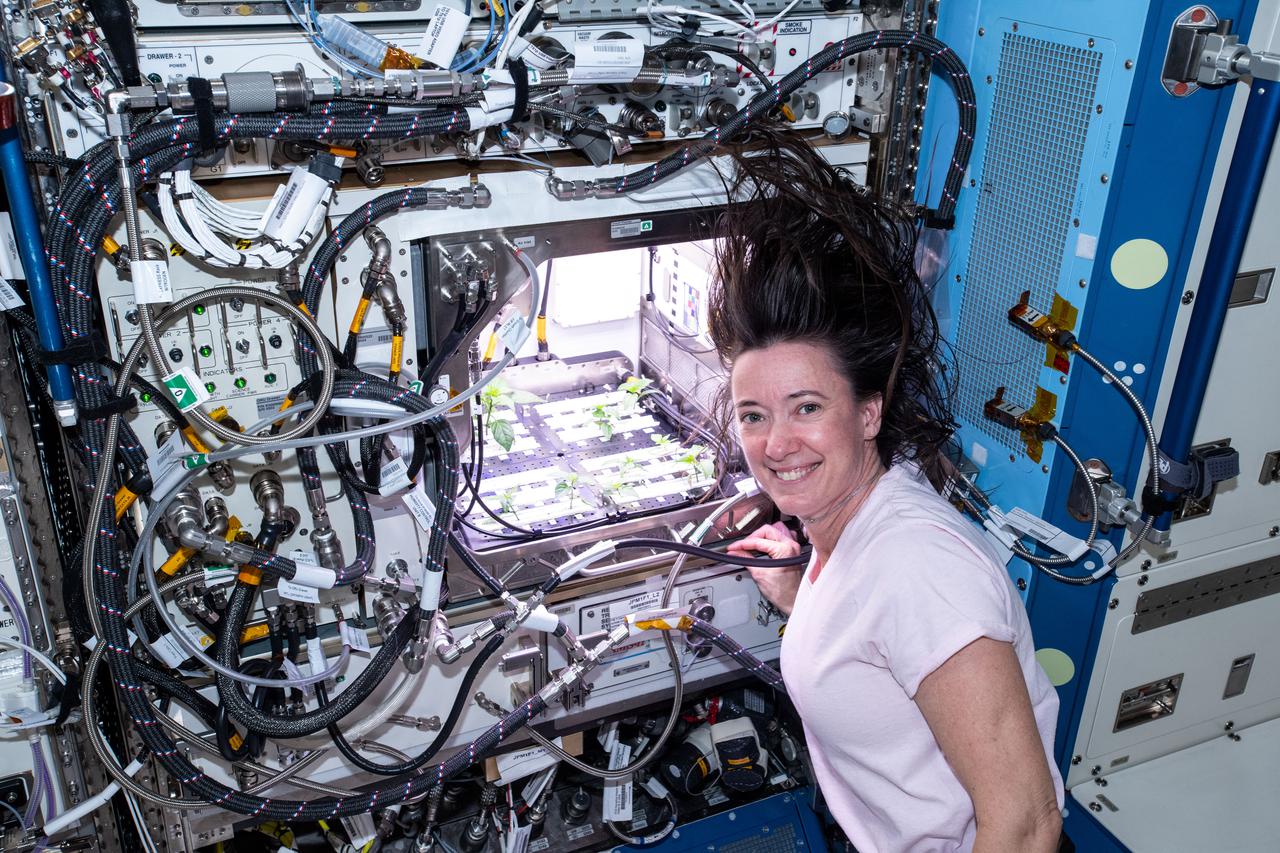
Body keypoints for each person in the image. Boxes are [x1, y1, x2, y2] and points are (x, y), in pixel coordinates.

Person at [707, 132, 1064, 852]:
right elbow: (880, 642)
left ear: (869, 411)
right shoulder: (849, 526)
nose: (776, 443)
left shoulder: (919, 569)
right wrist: (801, 594)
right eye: (754, 414)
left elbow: (1025, 825)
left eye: (807, 406)